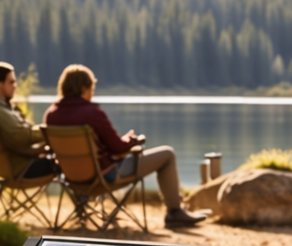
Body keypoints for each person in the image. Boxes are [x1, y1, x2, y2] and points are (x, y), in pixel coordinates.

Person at [41, 64, 207, 228]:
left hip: (71, 179)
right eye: (92, 88)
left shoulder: (50, 114)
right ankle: (175, 212)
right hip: (105, 177)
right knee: (167, 154)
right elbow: (118, 148)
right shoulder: (92, 113)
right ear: (84, 88)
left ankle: (81, 209)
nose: (93, 92)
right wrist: (132, 140)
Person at [0, 62, 57, 179]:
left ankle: (80, 196)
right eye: (11, 82)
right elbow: (25, 136)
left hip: (3, 168)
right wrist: (53, 132)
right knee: (66, 161)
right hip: (21, 168)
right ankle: (82, 196)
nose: (15, 86)